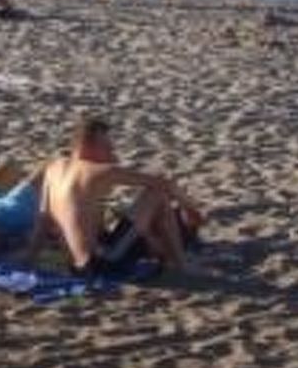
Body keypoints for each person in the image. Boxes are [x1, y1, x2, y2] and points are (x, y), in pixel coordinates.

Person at [38, 115, 203, 279]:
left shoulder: (53, 168)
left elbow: (43, 218)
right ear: (86, 147)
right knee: (157, 194)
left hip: (74, 266)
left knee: (139, 219)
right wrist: (192, 208)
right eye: (107, 147)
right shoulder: (99, 171)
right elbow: (163, 183)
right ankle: (182, 266)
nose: (112, 154)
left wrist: (27, 259)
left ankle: (172, 258)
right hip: (100, 264)